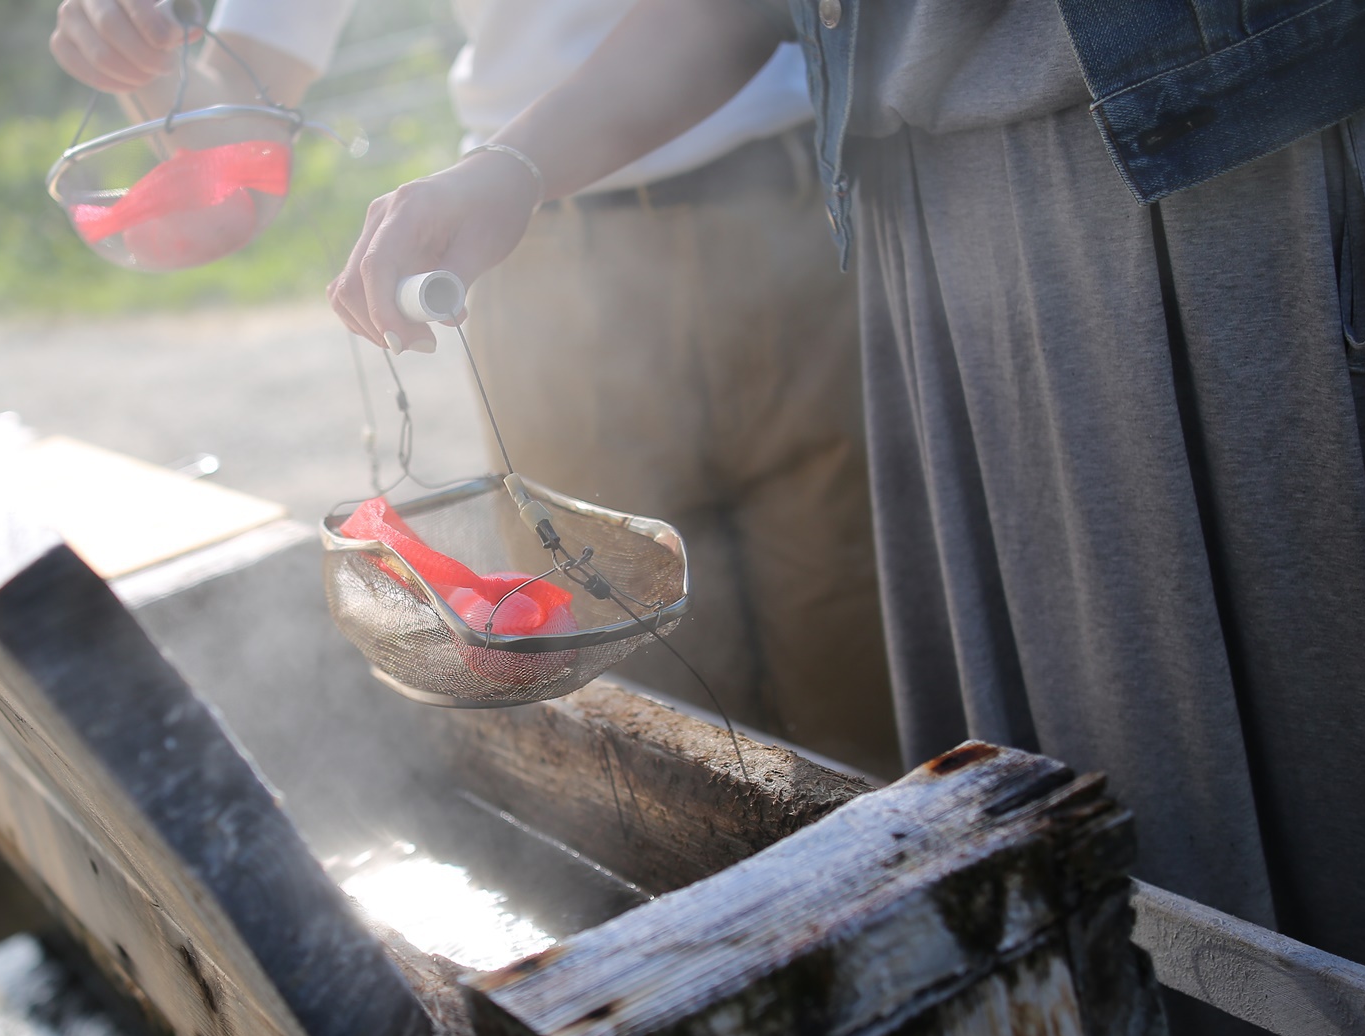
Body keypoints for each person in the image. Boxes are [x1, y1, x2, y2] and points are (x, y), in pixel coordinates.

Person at [327, 0, 1365, 1036]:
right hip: (930, 249)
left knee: (1356, 873)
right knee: (1066, 860)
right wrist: (510, 167)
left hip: (1249, 201)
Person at [49, 0, 903, 780]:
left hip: (805, 227)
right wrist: (147, 66)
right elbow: (231, 141)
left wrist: (515, 164)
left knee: (869, 686)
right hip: (549, 264)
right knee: (643, 725)